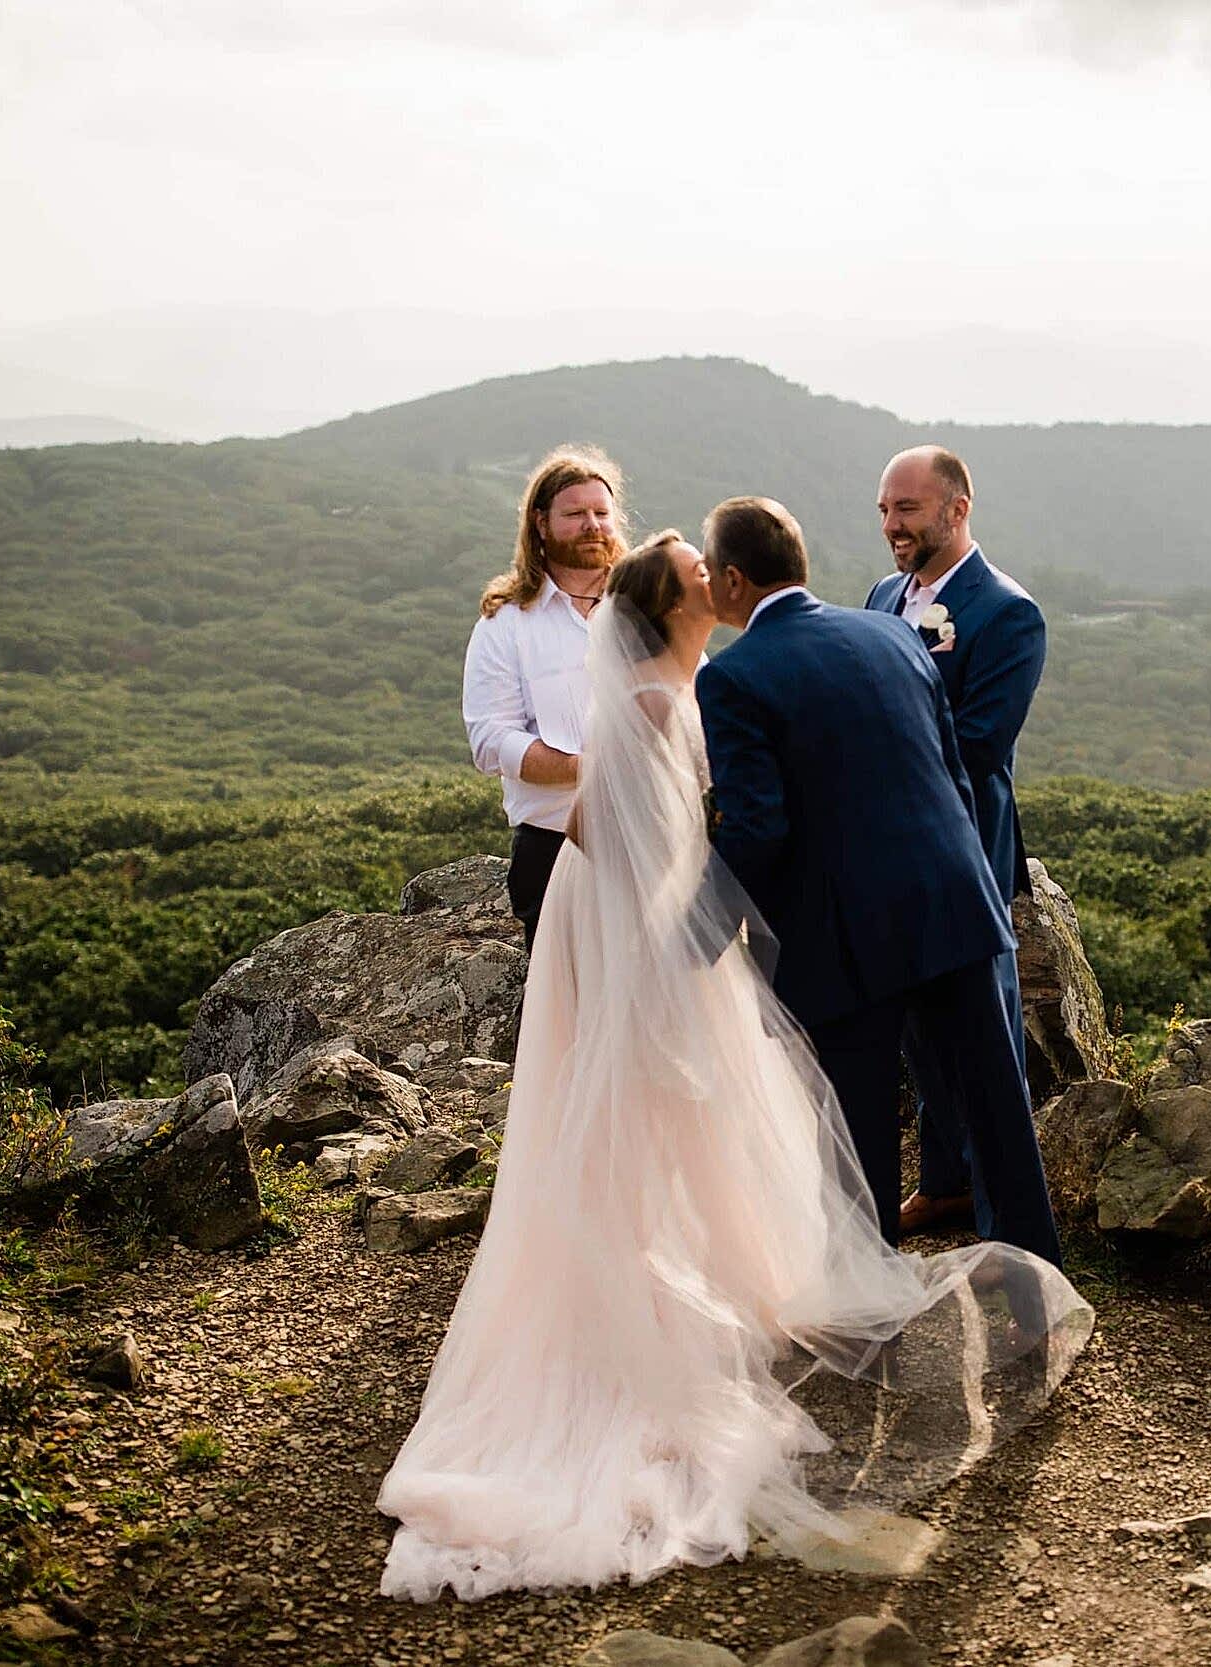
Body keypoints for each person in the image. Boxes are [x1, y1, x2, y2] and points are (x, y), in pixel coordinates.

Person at [377, 531, 1090, 1602]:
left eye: (714, 566)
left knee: (716, 1115)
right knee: (709, 1111)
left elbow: (755, 816)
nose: (712, 581)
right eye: (693, 576)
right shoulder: (776, 664)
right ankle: (694, 1301)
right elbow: (664, 823)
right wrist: (688, 948)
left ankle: (730, 1283)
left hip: (679, 924)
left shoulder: (708, 678)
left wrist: (703, 931)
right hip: (681, 922)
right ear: (677, 608)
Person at [695, 495, 1063, 1265]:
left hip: (846, 933)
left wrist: (694, 931)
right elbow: (952, 770)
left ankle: (871, 1313)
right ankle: (1038, 1285)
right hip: (954, 901)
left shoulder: (732, 678)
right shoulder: (891, 631)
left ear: (732, 581)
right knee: (997, 1110)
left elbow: (758, 830)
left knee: (858, 1133)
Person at [864, 446, 1048, 1240]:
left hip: (966, 848)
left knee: (983, 1037)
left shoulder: (1008, 612)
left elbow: (978, 742)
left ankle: (1004, 1216)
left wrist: (862, 763)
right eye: (883, 510)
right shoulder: (881, 594)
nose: (891, 525)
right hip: (885, 854)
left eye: (906, 508)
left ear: (956, 507)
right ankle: (943, 1184)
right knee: (914, 1031)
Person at [462, 446, 627, 949]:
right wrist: (589, 767)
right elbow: (490, 740)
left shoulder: (645, 607)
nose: (592, 525)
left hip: (652, 838)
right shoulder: (505, 623)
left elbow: (695, 698)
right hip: (552, 848)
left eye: (601, 513)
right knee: (563, 1014)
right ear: (540, 523)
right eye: (575, 514)